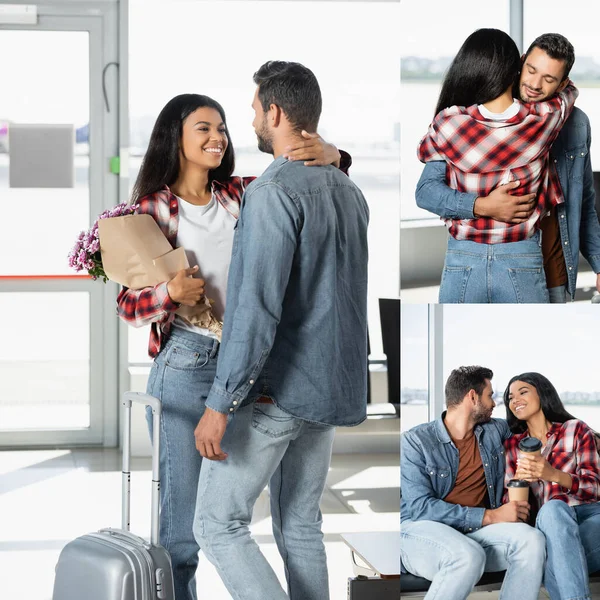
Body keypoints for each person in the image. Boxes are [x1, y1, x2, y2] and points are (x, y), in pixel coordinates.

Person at [116, 93, 348, 600]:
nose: (217, 137)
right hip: (186, 366)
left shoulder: (244, 192)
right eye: (203, 128)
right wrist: (168, 294)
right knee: (182, 529)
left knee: (224, 514)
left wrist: (335, 155)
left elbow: (304, 174)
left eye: (221, 127)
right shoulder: (151, 208)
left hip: (248, 367)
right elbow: (127, 306)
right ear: (174, 137)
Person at [191, 61, 369, 600]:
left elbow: (256, 310)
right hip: (331, 387)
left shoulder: (272, 193)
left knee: (217, 526)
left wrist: (219, 404)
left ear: (275, 111)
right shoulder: (348, 191)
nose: (248, 122)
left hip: (279, 392)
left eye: (252, 111)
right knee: (300, 525)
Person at [417, 32, 600, 303]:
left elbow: (584, 202)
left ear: (561, 82)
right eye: (531, 70)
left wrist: (598, 262)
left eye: (549, 79)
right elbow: (427, 191)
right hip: (513, 256)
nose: (535, 84)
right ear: (520, 63)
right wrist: (483, 205)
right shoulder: (474, 120)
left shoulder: (575, 124)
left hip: (553, 269)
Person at [401, 366, 546, 600]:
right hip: (422, 532)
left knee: (532, 539)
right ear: (472, 396)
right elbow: (420, 508)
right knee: (467, 555)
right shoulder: (416, 441)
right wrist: (490, 516)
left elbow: (540, 427)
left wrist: (591, 437)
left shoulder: (494, 430)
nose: (494, 403)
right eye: (489, 396)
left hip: (476, 534)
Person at [503, 372, 600, 600]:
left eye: (523, 392)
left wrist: (552, 474)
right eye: (509, 397)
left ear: (542, 392)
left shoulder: (574, 429)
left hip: (590, 514)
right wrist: (520, 484)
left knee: (552, 558)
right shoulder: (512, 447)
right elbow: (514, 513)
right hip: (551, 523)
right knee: (554, 510)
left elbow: (595, 487)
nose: (514, 400)